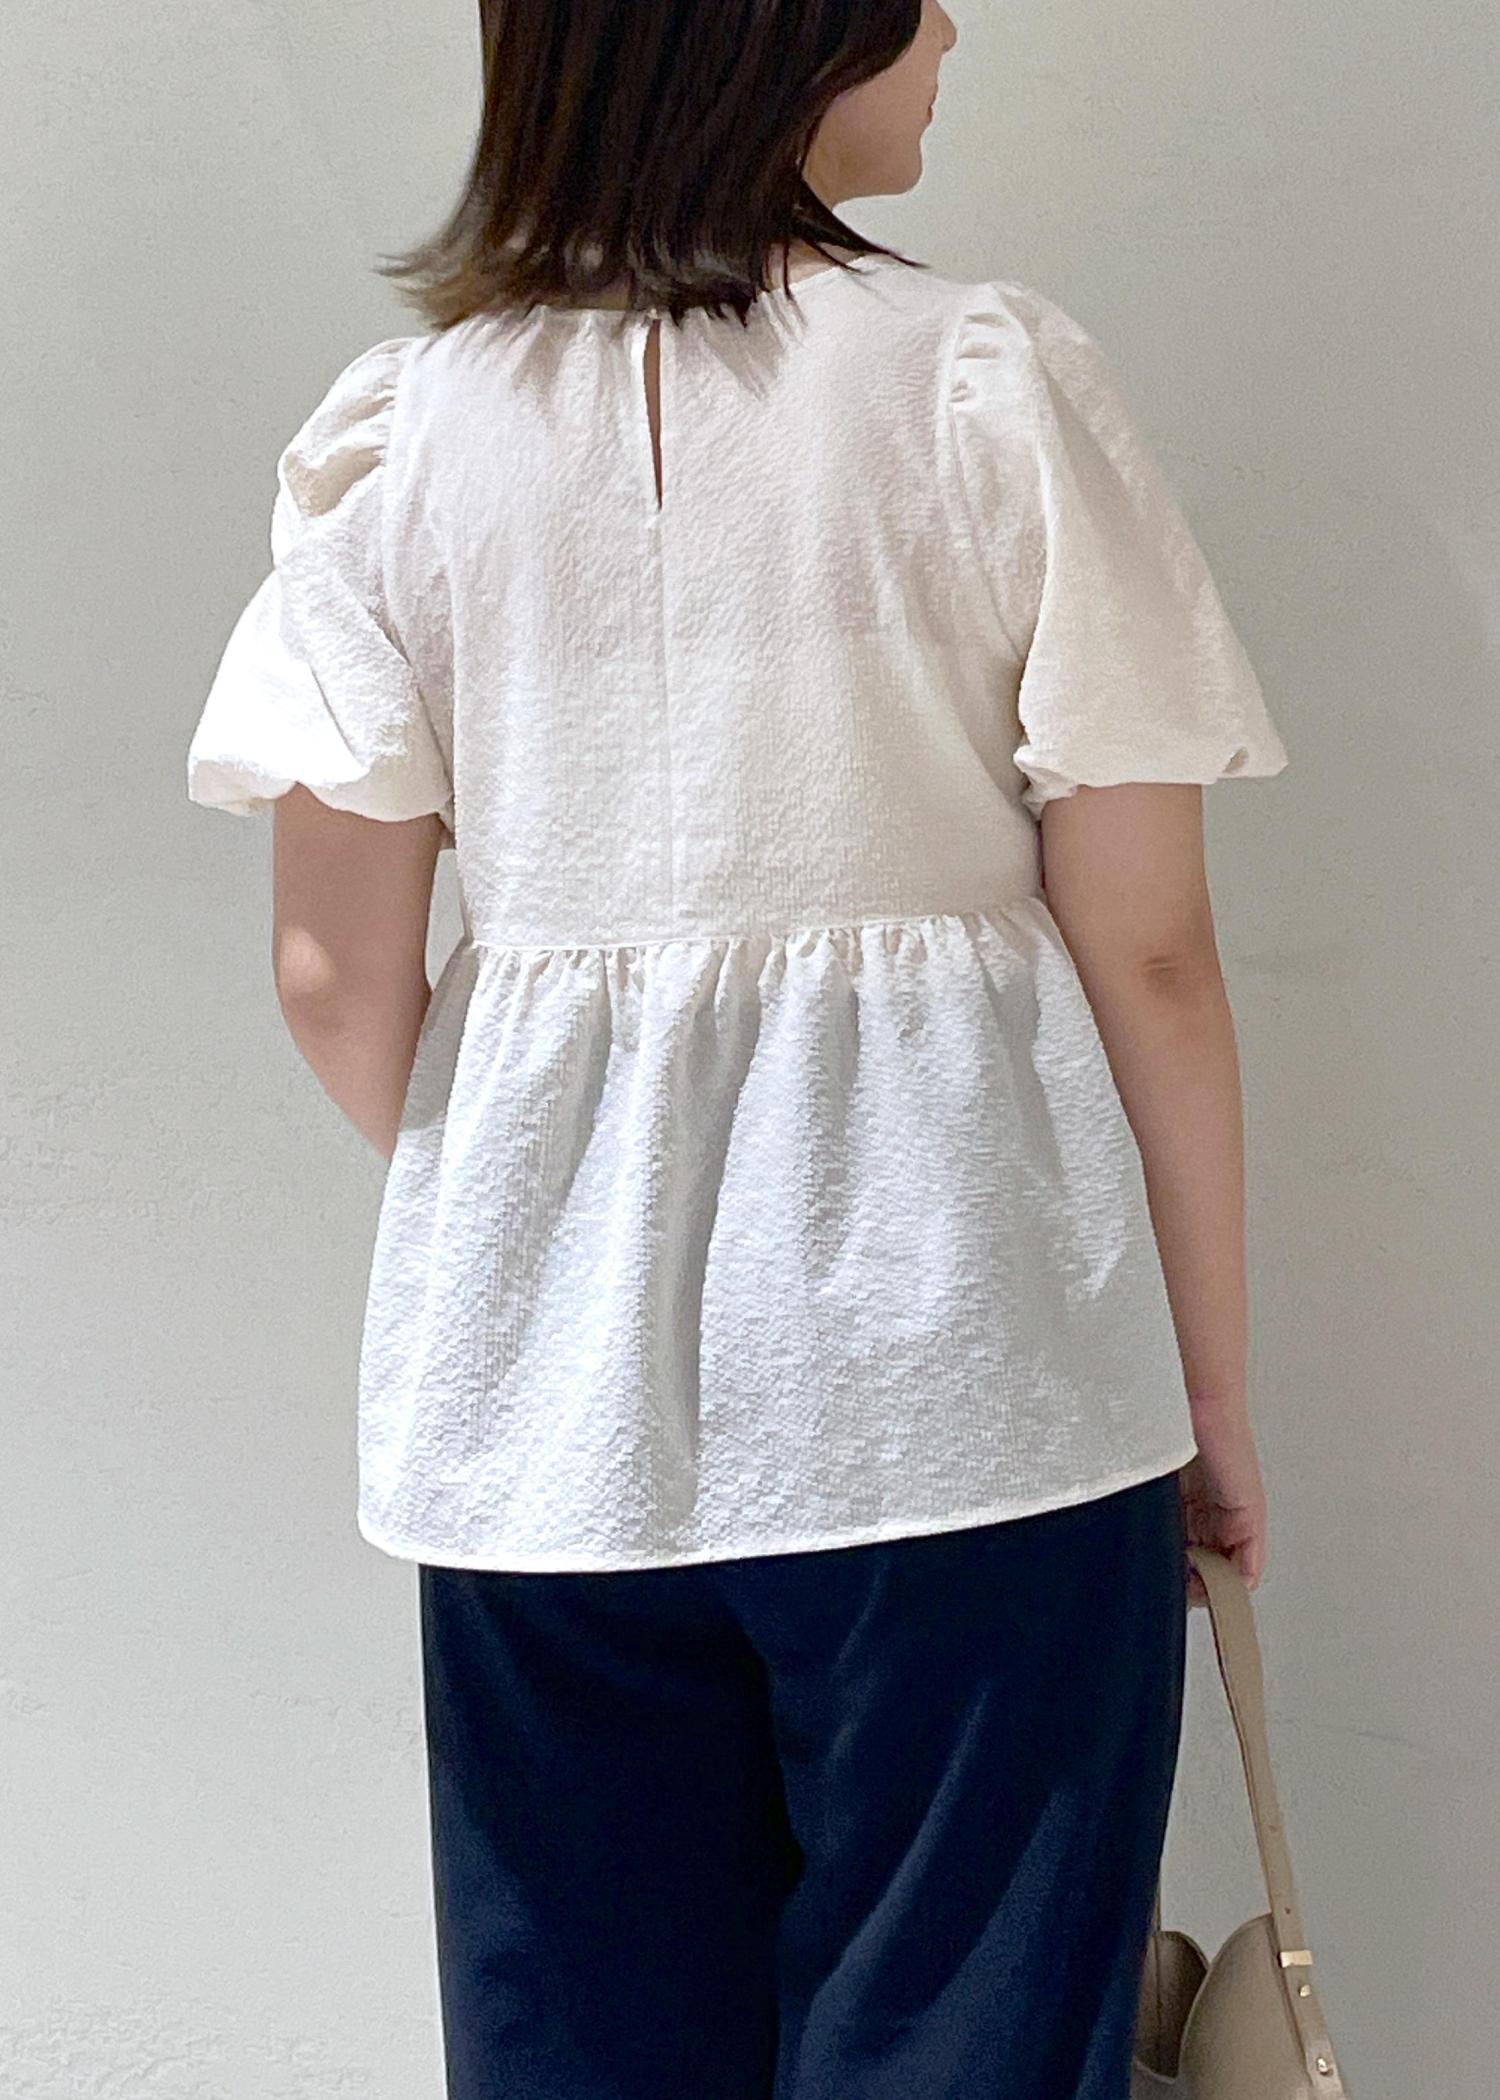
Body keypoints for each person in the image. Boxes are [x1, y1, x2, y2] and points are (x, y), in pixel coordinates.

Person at [184, 2, 1290, 2093]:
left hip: (544, 1431)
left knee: (592, 2038)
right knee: (964, 2030)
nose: (949, 25)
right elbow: (1150, 954)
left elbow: (334, 971)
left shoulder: (405, 433)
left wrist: (555, 1217)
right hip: (978, 1387)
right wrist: (1208, 1393)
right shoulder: (981, 381)